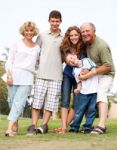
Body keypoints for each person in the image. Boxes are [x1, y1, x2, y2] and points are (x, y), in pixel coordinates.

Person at [67, 22, 115, 134]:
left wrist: (89, 74)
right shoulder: (85, 43)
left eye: (87, 31)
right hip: (94, 74)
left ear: (94, 31)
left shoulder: (101, 45)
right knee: (87, 97)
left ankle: (101, 126)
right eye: (83, 31)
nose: (85, 33)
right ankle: (87, 126)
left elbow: (108, 66)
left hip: (106, 74)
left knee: (100, 93)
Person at [27, 10, 63, 134]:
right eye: (52, 21)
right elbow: (35, 52)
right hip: (42, 74)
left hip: (57, 75)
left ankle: (43, 126)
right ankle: (33, 125)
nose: (54, 23)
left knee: (50, 103)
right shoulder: (42, 35)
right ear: (49, 21)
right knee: (37, 101)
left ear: (60, 22)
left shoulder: (64, 38)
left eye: (57, 21)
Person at [5, 21, 40, 136]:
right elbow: (9, 61)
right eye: (27, 30)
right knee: (11, 101)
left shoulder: (37, 48)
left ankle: (9, 128)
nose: (29, 32)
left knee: (18, 102)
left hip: (27, 77)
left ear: (34, 32)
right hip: (14, 75)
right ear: (23, 31)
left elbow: (37, 64)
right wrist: (9, 75)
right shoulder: (16, 44)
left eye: (31, 30)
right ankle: (15, 122)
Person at [54, 26, 86, 134]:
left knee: (76, 103)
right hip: (67, 75)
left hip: (79, 78)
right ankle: (63, 127)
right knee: (65, 101)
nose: (73, 37)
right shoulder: (65, 47)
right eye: (71, 35)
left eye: (76, 35)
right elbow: (67, 60)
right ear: (68, 36)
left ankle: (64, 127)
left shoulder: (84, 48)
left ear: (79, 35)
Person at [69, 57, 98, 133]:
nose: (72, 61)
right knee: (79, 111)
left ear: (75, 56)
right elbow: (79, 82)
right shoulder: (75, 71)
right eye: (70, 62)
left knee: (92, 110)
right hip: (83, 92)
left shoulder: (87, 60)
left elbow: (94, 70)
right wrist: (78, 89)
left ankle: (87, 127)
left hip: (94, 91)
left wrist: (85, 74)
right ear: (70, 65)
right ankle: (74, 127)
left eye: (72, 58)